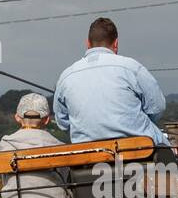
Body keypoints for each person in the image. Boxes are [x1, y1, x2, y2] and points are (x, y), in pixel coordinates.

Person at [53, 17, 169, 147]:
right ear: (116, 43)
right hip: (136, 150)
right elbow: (157, 107)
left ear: (88, 43)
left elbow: (63, 122)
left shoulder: (66, 76)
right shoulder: (131, 68)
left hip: (87, 154)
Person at [0, 93, 71, 198]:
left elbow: (5, 179)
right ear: (47, 119)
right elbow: (64, 179)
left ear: (17, 117)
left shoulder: (6, 143)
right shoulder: (59, 146)